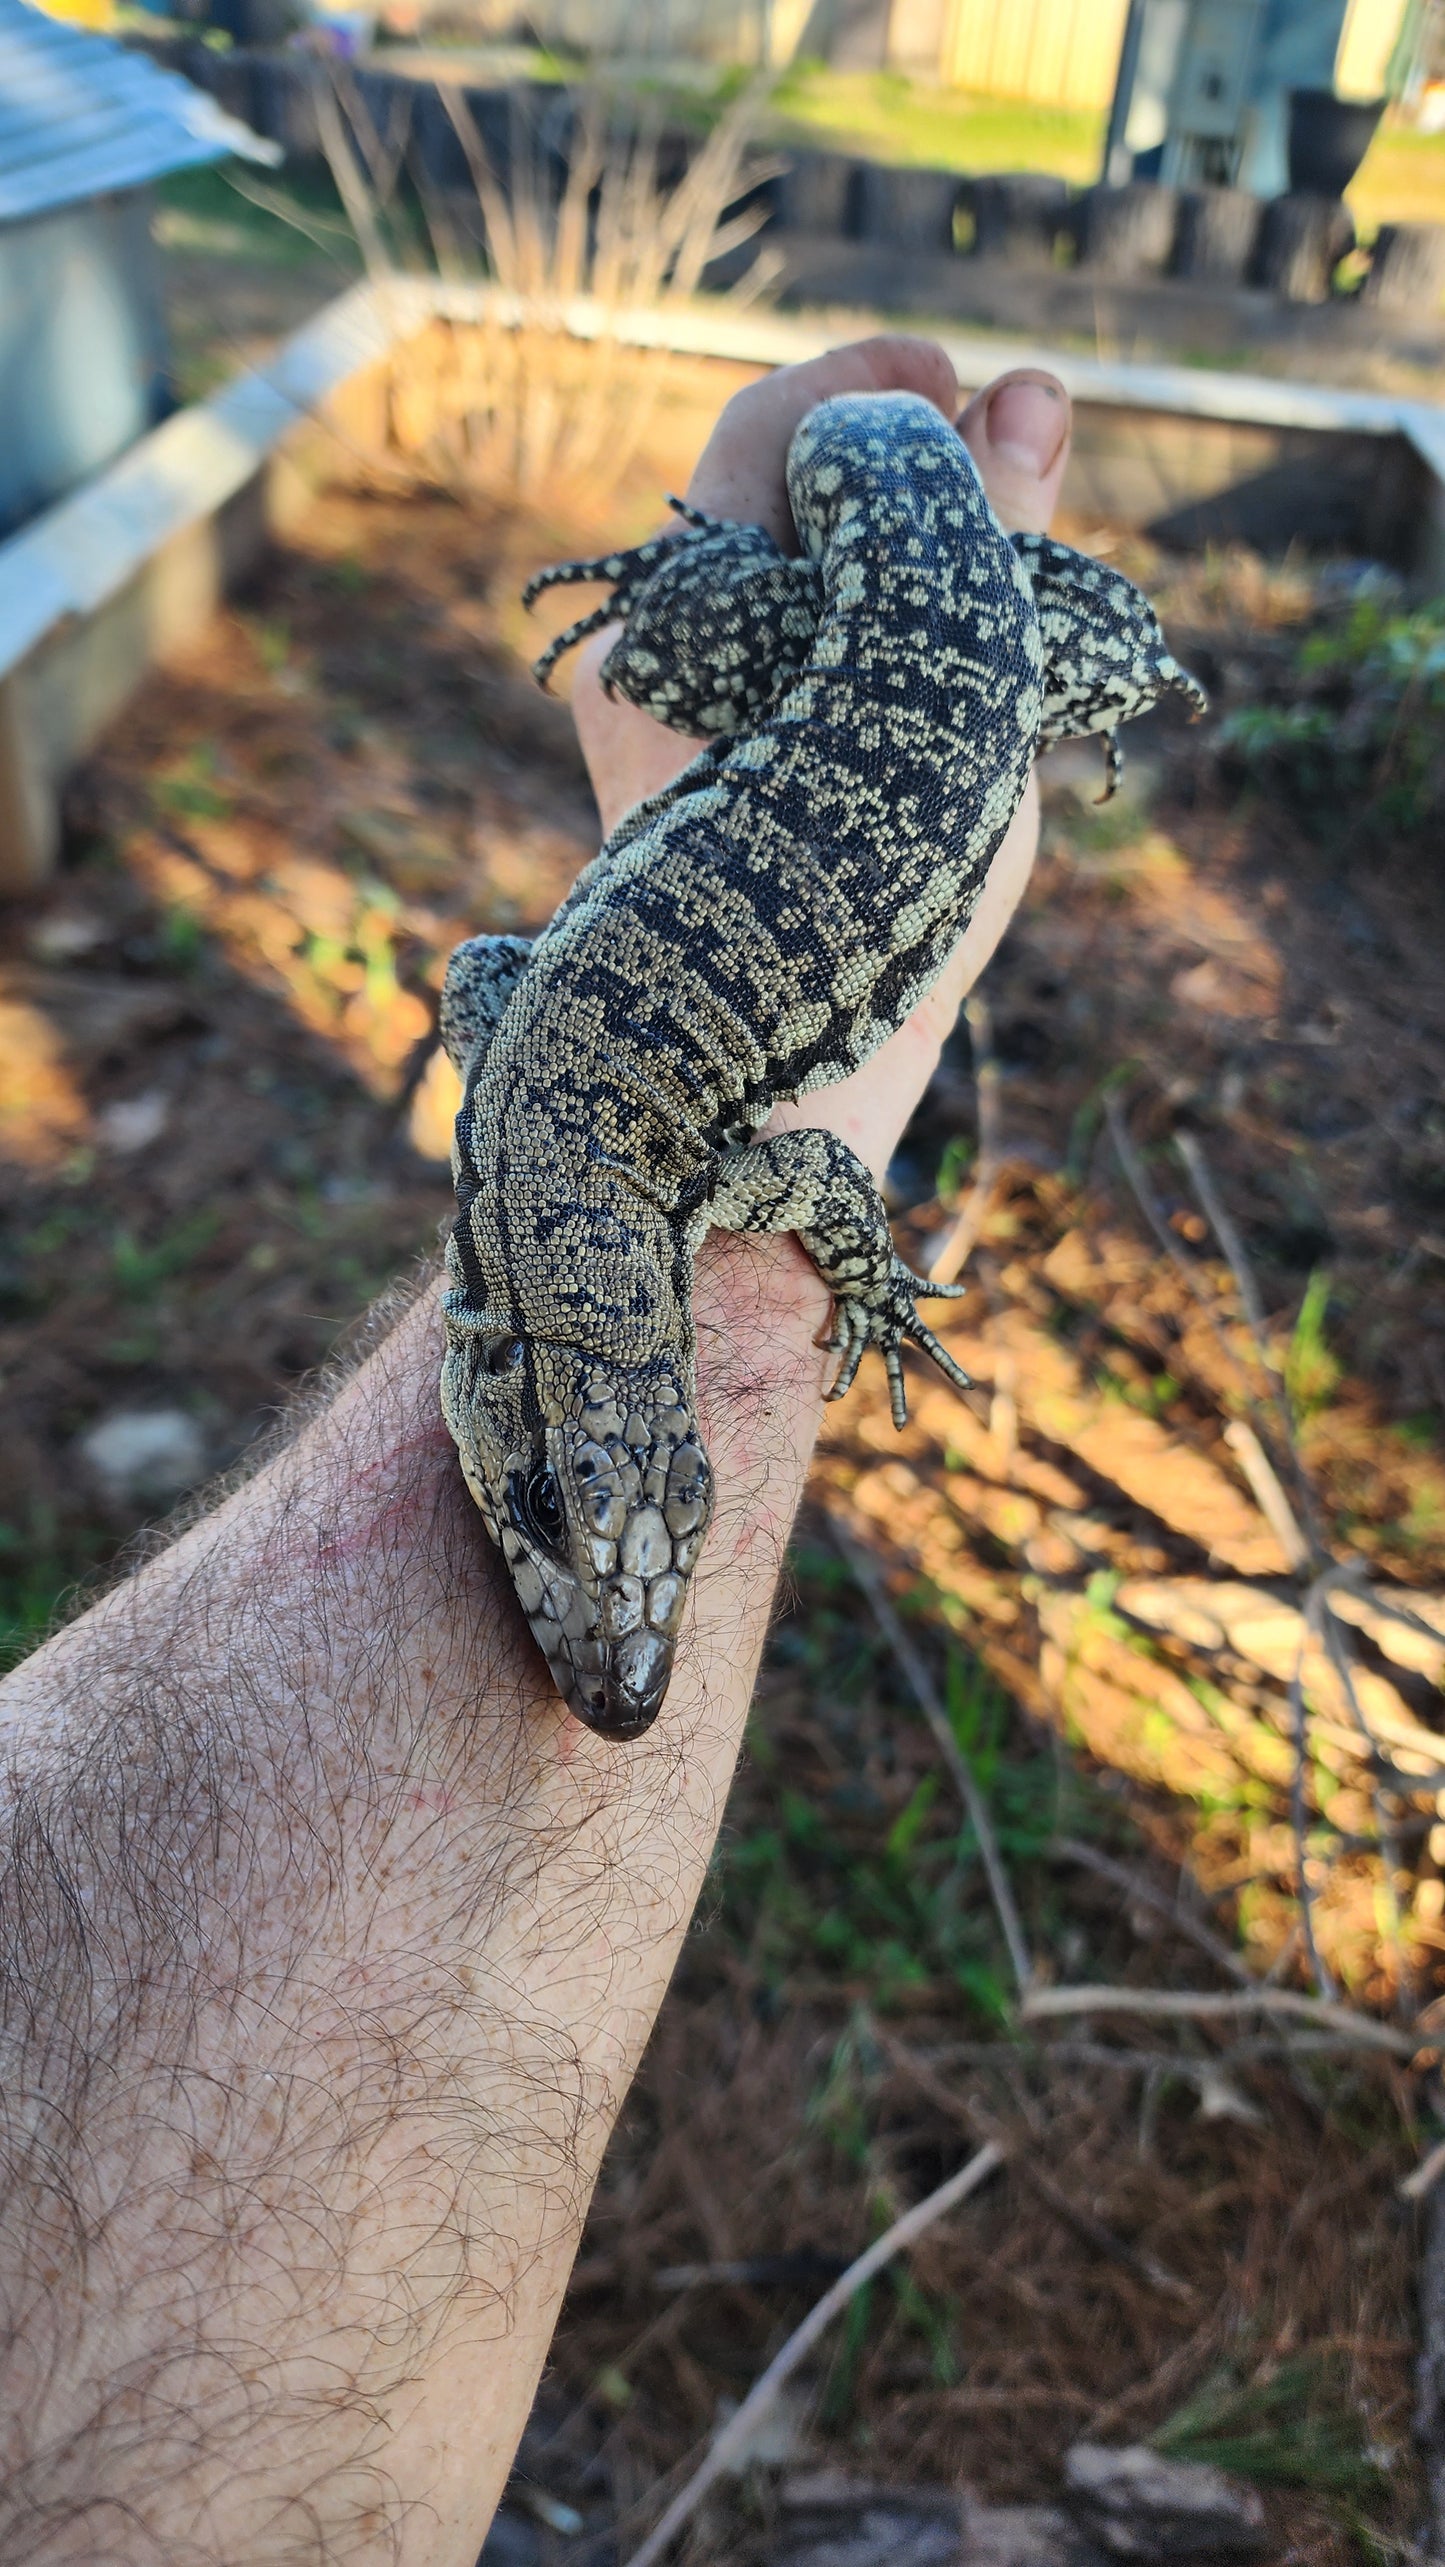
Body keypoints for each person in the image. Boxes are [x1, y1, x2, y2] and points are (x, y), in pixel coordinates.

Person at [0, 338, 1071, 2562]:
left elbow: (531, 994)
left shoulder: (605, 1158)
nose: (607, 1635)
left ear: (526, 1376)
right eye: (612, 1504)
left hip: (885, 661)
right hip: (907, 670)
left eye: (612, 1508)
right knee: (1032, 614)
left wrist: (842, 1262)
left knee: (1063, 636)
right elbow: (521, 993)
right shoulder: (562, 1141)